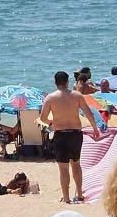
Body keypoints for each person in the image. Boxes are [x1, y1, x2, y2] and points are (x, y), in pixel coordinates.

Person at [39, 70, 95, 205]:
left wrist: (51, 123)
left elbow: (42, 118)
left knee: (63, 168)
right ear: (68, 81)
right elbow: (88, 113)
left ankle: (67, 198)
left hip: (60, 134)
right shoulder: (77, 95)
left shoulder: (51, 98)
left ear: (55, 82)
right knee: (76, 164)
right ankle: (80, 194)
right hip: (76, 133)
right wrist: (95, 128)